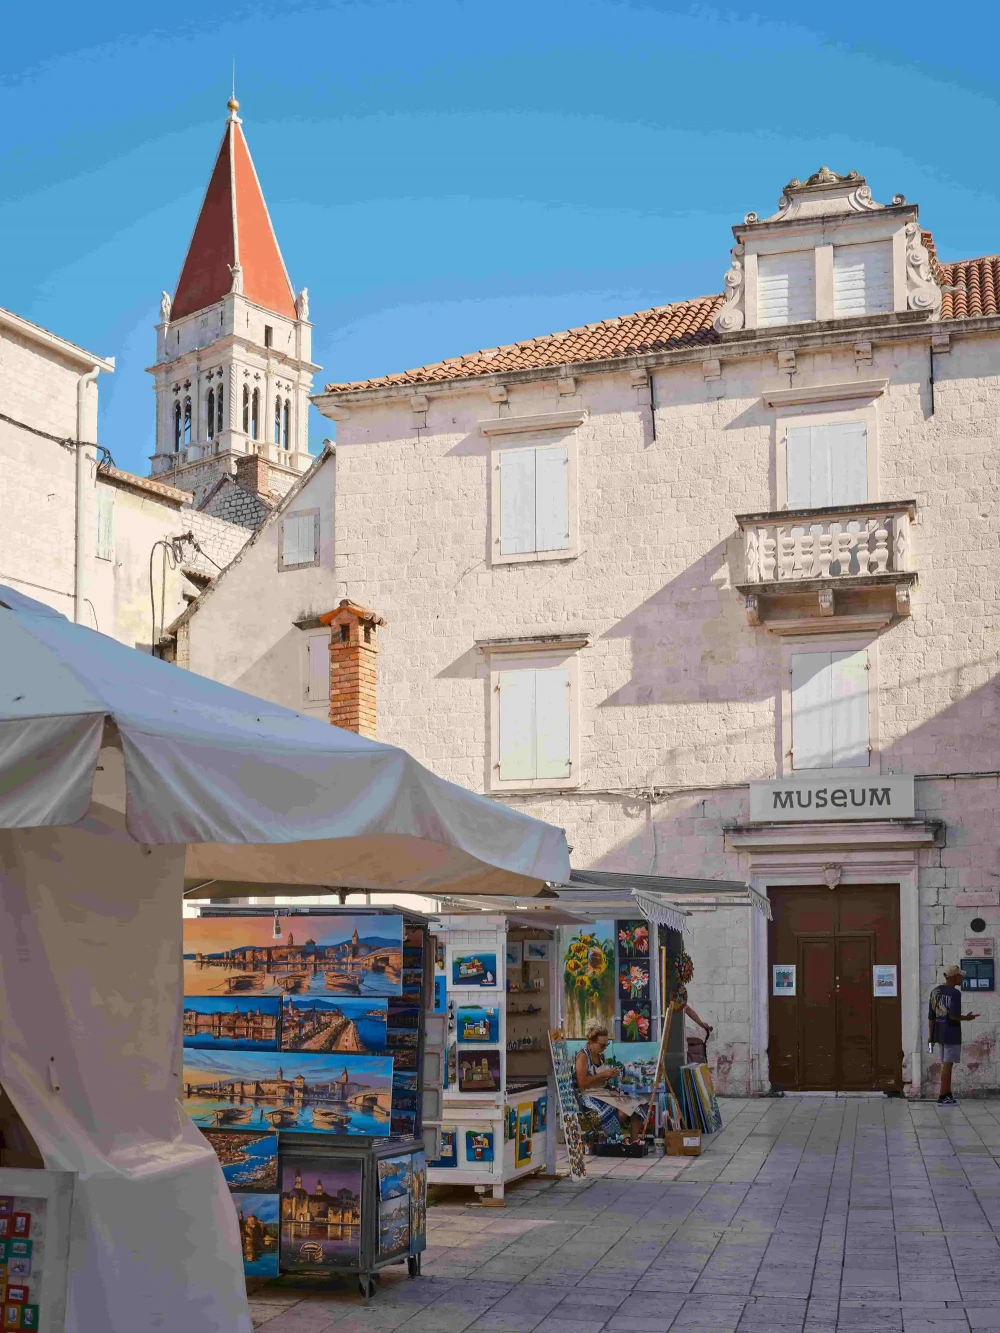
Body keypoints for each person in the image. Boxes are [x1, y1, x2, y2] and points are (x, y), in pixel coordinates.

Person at [574, 1021, 647, 1142]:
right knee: (621, 1111)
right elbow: (582, 1082)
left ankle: (635, 1142)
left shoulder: (600, 1055)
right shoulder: (583, 1057)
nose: (604, 1048)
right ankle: (614, 1139)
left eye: (606, 1044)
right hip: (589, 1094)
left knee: (637, 1103)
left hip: (603, 1091)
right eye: (601, 1045)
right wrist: (603, 1074)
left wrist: (609, 1075)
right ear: (591, 1043)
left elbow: (599, 1077)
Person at [928, 964, 979, 1105]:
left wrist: (930, 1036)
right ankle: (943, 1095)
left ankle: (947, 1093)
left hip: (939, 1033)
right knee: (948, 1065)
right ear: (954, 976)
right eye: (960, 975)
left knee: (945, 1063)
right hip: (951, 1033)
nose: (962, 978)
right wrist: (967, 1018)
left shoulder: (935, 991)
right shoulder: (955, 993)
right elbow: (954, 1016)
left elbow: (931, 1017)